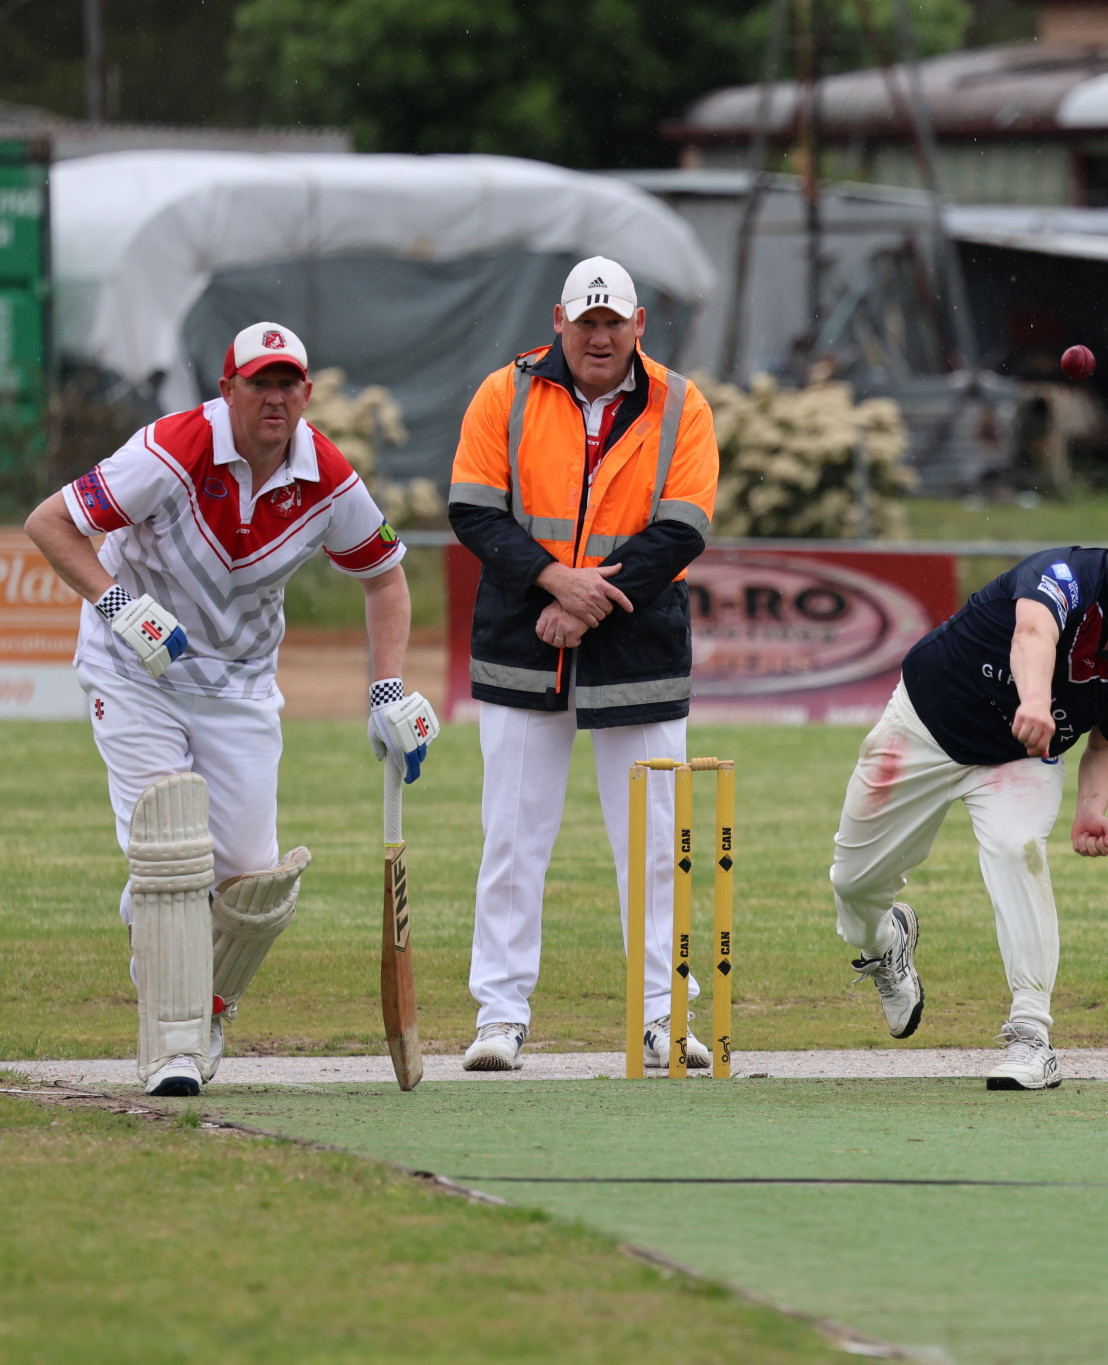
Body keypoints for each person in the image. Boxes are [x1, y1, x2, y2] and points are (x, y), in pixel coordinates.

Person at [25, 321, 435, 1097]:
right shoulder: (172, 449)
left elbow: (385, 577)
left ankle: (179, 955)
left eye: (288, 384)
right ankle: (178, 1042)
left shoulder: (327, 478)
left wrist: (385, 691)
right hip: (134, 667)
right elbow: (52, 522)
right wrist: (119, 607)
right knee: (171, 839)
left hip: (240, 683)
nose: (275, 398)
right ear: (228, 390)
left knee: (252, 885)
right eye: (260, 383)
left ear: (306, 394)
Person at [831, 498, 1108, 1090]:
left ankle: (1030, 1036)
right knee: (853, 884)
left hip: (1020, 757)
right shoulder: (1065, 572)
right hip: (922, 728)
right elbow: (1034, 629)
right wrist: (1036, 700)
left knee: (1019, 849)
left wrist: (1093, 809)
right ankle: (887, 943)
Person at [447, 257, 719, 1073]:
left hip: (633, 647)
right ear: (559, 322)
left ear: (639, 327)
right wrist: (551, 580)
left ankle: (664, 1015)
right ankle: (500, 1015)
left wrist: (583, 600)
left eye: (614, 324)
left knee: (654, 843)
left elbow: (683, 528)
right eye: (585, 323)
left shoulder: (683, 403)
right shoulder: (505, 391)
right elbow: (471, 508)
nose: (599, 338)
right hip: (522, 641)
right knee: (512, 838)